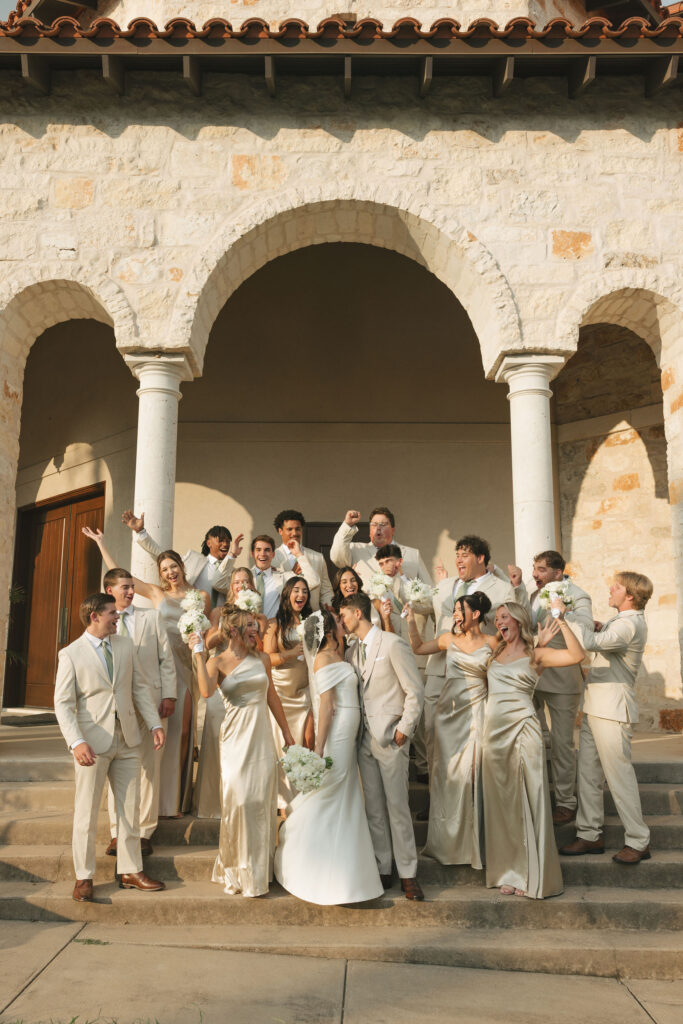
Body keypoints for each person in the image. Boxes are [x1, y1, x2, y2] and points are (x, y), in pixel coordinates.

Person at [83, 526, 210, 817]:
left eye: (173, 566)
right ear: (160, 574)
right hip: (161, 666)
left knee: (183, 732)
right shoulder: (156, 594)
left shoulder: (201, 595)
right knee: (161, 735)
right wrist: (102, 543)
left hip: (187, 665)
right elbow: (119, 576)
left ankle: (175, 801)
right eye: (164, 569)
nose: (170, 572)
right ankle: (156, 805)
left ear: (182, 567)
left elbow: (211, 629)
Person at [54, 593, 166, 901]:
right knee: (86, 812)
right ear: (94, 617)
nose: (118, 617)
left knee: (129, 809)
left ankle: (130, 869)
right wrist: (76, 742)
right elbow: (63, 704)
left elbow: (139, 688)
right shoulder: (71, 654)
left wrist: (155, 724)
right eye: (112, 614)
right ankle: (84, 876)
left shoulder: (125, 646)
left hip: (128, 738)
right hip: (91, 743)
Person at [275, 610, 384, 905]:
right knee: (332, 784)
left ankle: (347, 864)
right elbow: (327, 707)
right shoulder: (323, 659)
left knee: (345, 790)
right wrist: (320, 749)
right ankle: (299, 838)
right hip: (337, 730)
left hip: (351, 728)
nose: (341, 622)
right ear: (327, 630)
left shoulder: (341, 655)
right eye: (336, 620)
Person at [186, 609, 294, 897]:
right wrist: (198, 654)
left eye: (255, 627)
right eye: (249, 627)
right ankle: (236, 868)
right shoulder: (217, 662)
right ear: (232, 631)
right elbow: (207, 692)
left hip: (260, 738)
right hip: (234, 740)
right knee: (239, 801)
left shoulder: (261, 659)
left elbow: (272, 695)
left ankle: (259, 873)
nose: (255, 632)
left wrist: (286, 732)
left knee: (260, 801)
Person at [483, 600, 585, 899]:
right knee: (502, 804)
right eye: (497, 618)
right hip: (493, 734)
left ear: (517, 620)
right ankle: (508, 871)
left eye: (505, 617)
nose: (499, 621)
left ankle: (532, 873)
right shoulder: (494, 650)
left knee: (532, 797)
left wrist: (561, 621)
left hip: (524, 730)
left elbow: (577, 655)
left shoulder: (535, 653)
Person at [560, 571, 654, 865]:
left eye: (616, 586)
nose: (610, 589)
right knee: (587, 773)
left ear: (629, 595)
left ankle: (639, 841)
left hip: (613, 710)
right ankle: (589, 834)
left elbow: (589, 643)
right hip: (595, 706)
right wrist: (599, 626)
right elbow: (601, 638)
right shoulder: (620, 622)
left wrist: (565, 616)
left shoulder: (630, 624)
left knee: (618, 777)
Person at [418, 535, 523, 786]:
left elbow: (510, 625)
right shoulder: (443, 586)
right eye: (457, 555)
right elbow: (421, 608)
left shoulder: (502, 588)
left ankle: (472, 794)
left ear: (480, 558)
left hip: (475, 673)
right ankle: (438, 796)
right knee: (432, 733)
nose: (458, 560)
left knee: (473, 737)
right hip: (439, 669)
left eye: (464, 555)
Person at [340, 592, 425, 901]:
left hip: (391, 737)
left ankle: (408, 873)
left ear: (358, 614)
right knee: (374, 809)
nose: (342, 620)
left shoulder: (391, 643)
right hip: (363, 739)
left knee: (398, 807)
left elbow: (414, 690)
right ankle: (382, 866)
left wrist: (405, 728)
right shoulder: (350, 653)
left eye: (344, 615)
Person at [405, 592, 494, 869]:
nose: (455, 614)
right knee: (447, 776)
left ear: (476, 614)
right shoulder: (448, 639)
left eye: (460, 609)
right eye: (455, 610)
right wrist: (410, 620)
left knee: (472, 774)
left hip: (477, 713)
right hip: (448, 714)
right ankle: (446, 844)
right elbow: (418, 648)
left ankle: (475, 845)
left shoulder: (493, 642)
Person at [510, 550, 594, 825]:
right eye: (534, 568)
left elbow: (584, 629)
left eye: (541, 570)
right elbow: (529, 624)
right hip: (534, 677)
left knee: (561, 745)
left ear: (558, 573)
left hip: (563, 680)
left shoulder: (578, 595)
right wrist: (518, 589)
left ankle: (566, 803)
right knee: (533, 741)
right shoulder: (535, 594)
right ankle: (536, 797)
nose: (535, 574)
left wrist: (564, 612)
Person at [101, 568, 176, 857]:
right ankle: (117, 832)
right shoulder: (103, 622)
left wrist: (169, 694)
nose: (131, 591)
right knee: (116, 769)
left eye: (133, 586)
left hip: (153, 704)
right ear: (111, 591)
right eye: (125, 587)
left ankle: (144, 831)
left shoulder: (151, 617)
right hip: (116, 708)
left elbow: (166, 658)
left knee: (148, 768)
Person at [194, 567, 269, 820]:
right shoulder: (218, 611)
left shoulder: (259, 616)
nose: (241, 585)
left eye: (245, 581)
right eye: (237, 582)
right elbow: (209, 642)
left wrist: (251, 619)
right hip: (222, 676)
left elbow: (259, 648)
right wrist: (230, 622)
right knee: (218, 737)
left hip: (249, 677)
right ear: (231, 588)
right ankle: (214, 802)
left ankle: (245, 799)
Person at [122, 510, 243, 608]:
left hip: (219, 623)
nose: (225, 545)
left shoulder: (232, 571)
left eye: (228, 541)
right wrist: (141, 532)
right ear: (209, 543)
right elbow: (162, 555)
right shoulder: (194, 560)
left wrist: (232, 557)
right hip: (193, 619)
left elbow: (224, 588)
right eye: (221, 540)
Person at [263, 576, 314, 808]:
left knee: (307, 741)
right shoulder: (275, 624)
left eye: (304, 591)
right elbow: (268, 658)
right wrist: (291, 653)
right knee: (285, 746)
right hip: (281, 692)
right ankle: (284, 802)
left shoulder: (314, 622)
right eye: (296, 590)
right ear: (287, 595)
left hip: (305, 691)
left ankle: (305, 795)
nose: (301, 595)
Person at [330, 507, 432, 592]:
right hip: (368, 614)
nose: (378, 528)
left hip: (404, 614)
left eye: (383, 524)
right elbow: (337, 558)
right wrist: (347, 525)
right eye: (374, 524)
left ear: (393, 530)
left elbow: (430, 591)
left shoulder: (413, 554)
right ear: (369, 531)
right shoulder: (355, 550)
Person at [271, 509, 334, 610]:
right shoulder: (271, 558)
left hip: (313, 617)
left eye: (298, 529)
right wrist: (291, 574)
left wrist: (329, 607)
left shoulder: (318, 557)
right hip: (283, 617)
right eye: (289, 529)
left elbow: (326, 591)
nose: (294, 533)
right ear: (280, 531)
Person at [250, 534, 308, 621]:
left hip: (274, 630)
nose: (262, 554)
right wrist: (232, 555)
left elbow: (313, 582)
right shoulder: (244, 577)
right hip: (248, 630)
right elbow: (221, 582)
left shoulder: (284, 577)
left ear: (273, 554)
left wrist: (298, 554)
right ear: (252, 554)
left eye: (267, 550)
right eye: (258, 550)